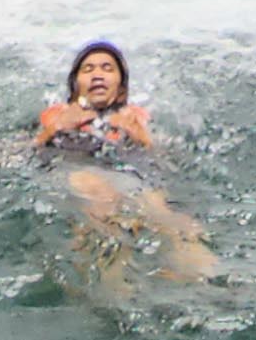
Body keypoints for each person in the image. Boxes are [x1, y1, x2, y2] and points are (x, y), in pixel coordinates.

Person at [31, 41, 215, 285]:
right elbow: (13, 152)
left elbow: (171, 160)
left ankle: (207, 282)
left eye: (107, 68)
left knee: (163, 212)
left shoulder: (135, 120)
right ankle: (110, 285)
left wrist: (142, 138)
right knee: (101, 197)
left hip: (130, 171)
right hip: (77, 168)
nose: (97, 74)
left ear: (120, 87)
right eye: (88, 69)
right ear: (75, 86)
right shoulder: (57, 118)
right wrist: (52, 131)